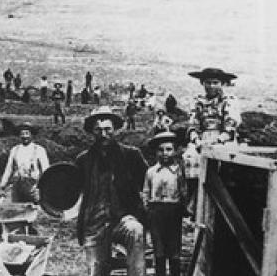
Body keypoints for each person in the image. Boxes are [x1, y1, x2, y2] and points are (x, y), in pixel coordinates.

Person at [63, 106, 148, 276]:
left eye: (108, 129)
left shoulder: (131, 156)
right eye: (98, 130)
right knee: (96, 270)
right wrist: (42, 195)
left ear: (115, 129)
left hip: (122, 221)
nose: (103, 134)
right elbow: (68, 191)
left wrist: (137, 213)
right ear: (92, 132)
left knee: (136, 230)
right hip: (94, 224)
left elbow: (148, 185)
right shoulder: (83, 160)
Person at [142, 132, 189, 276]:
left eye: (169, 149)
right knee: (158, 247)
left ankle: (175, 272)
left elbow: (184, 192)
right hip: (156, 211)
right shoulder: (151, 172)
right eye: (160, 150)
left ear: (175, 151)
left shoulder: (179, 172)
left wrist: (184, 209)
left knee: (174, 247)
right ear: (156, 152)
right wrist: (147, 208)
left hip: (173, 211)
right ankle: (160, 272)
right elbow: (146, 191)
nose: (164, 153)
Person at [188, 67, 242, 144]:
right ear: (202, 83)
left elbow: (231, 126)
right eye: (208, 82)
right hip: (200, 140)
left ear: (222, 83)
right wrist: (196, 139)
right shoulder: (197, 101)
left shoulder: (229, 101)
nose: (211, 86)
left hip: (224, 140)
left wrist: (218, 140)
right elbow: (193, 125)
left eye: (215, 83)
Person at [0, 122, 49, 203]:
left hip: (33, 186)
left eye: (27, 133)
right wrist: (2, 186)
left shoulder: (39, 150)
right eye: (22, 134)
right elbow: (8, 169)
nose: (24, 136)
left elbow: (46, 171)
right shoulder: (15, 150)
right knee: (17, 211)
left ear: (31, 135)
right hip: (17, 186)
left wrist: (41, 188)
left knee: (33, 210)